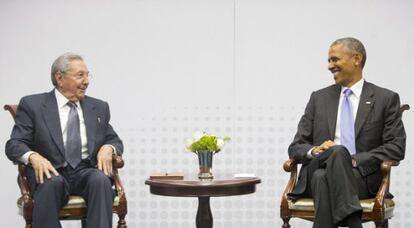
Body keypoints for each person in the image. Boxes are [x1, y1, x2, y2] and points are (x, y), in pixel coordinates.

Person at [288, 37, 406, 228]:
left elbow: (396, 147)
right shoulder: (319, 98)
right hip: (320, 165)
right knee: (335, 153)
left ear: (356, 59)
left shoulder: (385, 98)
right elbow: (296, 147)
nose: (329, 66)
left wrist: (352, 159)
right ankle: (353, 220)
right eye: (329, 60)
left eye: (335, 59)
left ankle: (351, 218)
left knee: (323, 175)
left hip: (360, 178)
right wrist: (316, 150)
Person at [5, 53, 123, 228]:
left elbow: (114, 139)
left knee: (100, 180)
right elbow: (14, 144)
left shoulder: (98, 107)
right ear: (59, 78)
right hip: (50, 171)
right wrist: (33, 157)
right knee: (51, 183)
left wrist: (109, 147)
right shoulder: (33, 105)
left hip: (85, 170)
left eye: (87, 75)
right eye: (79, 75)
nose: (86, 81)